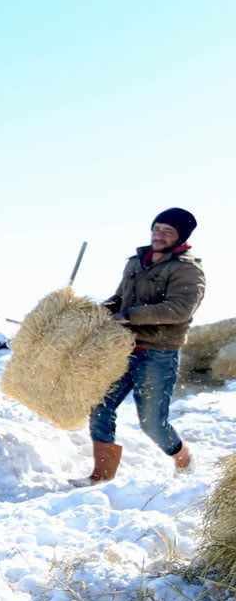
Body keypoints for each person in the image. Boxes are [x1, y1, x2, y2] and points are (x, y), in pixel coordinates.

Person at [73, 207, 205, 487]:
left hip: (158, 353)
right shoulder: (135, 262)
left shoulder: (188, 270)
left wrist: (130, 316)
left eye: (168, 231)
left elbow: (179, 309)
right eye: (157, 228)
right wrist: (93, 311)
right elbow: (120, 299)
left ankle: (184, 458)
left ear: (181, 237)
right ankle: (101, 477)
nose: (159, 234)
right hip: (123, 350)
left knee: (152, 424)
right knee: (100, 406)